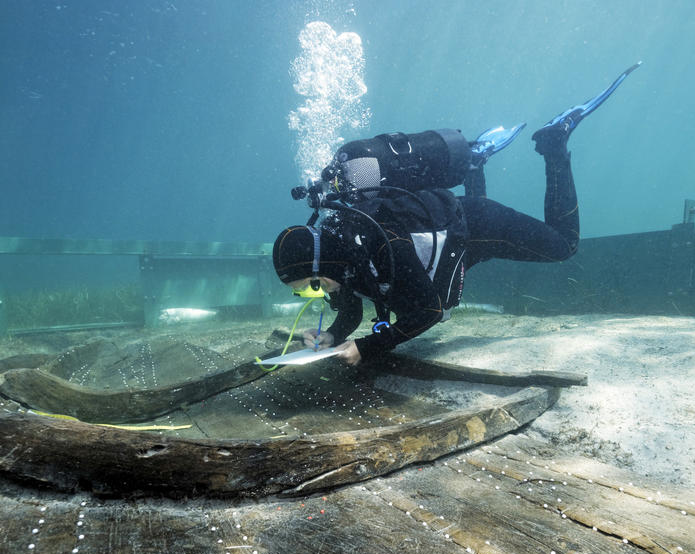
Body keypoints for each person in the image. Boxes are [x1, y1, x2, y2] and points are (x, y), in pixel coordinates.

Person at [272, 63, 640, 366]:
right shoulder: (343, 256)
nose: (315, 293)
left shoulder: (378, 241)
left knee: (563, 246)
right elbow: (351, 310)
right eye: (305, 292)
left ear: (323, 263)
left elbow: (429, 312)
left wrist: (367, 347)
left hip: (474, 224)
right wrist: (333, 334)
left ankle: (554, 144)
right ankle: (476, 163)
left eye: (311, 285)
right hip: (450, 242)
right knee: (451, 270)